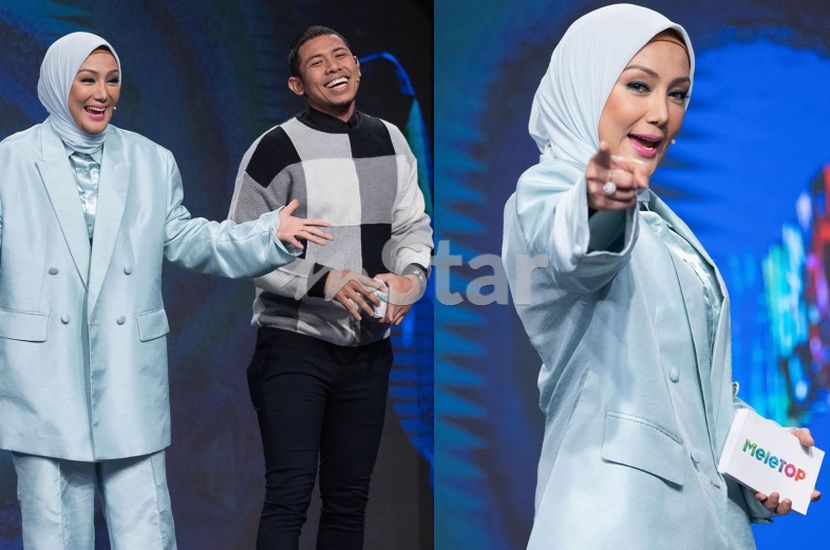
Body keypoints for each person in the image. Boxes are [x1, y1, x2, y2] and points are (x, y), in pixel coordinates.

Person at [501, 4, 820, 549]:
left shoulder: (662, 224)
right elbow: (578, 253)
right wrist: (600, 203)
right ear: (587, 85)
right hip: (615, 524)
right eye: (639, 86)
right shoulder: (546, 192)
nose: (661, 113)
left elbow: (686, 394)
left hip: (707, 529)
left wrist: (760, 455)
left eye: (677, 94)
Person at [0, 32, 332, 549]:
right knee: (54, 531)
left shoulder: (150, 160)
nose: (102, 93)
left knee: (145, 530)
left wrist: (268, 235)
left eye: (112, 80)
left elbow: (189, 238)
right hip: (44, 372)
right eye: (87, 80)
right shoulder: (11, 161)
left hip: (126, 369)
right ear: (58, 84)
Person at [228, 25, 432, 550]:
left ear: (358, 66)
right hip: (293, 346)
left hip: (366, 350)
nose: (334, 66)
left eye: (341, 55)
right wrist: (322, 280)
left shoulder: (391, 139)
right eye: (317, 62)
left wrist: (410, 278)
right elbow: (242, 246)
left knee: (348, 500)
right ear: (297, 85)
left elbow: (412, 227)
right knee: (289, 497)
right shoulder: (275, 148)